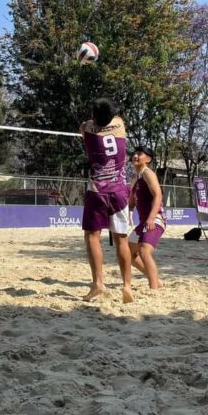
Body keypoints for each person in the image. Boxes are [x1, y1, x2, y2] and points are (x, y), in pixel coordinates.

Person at [80, 98, 133, 303]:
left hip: (97, 191)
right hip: (119, 191)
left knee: (92, 236)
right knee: (121, 239)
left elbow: (85, 125)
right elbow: (111, 117)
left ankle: (98, 284)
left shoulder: (87, 129)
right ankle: (127, 286)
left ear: (94, 116)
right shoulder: (120, 124)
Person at [128, 147, 165, 289]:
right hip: (143, 222)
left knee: (144, 251)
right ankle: (155, 279)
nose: (135, 156)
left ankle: (154, 288)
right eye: (134, 153)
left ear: (148, 159)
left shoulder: (148, 173)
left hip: (156, 218)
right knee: (128, 252)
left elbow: (158, 196)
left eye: (139, 154)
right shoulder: (134, 178)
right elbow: (130, 203)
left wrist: (151, 218)